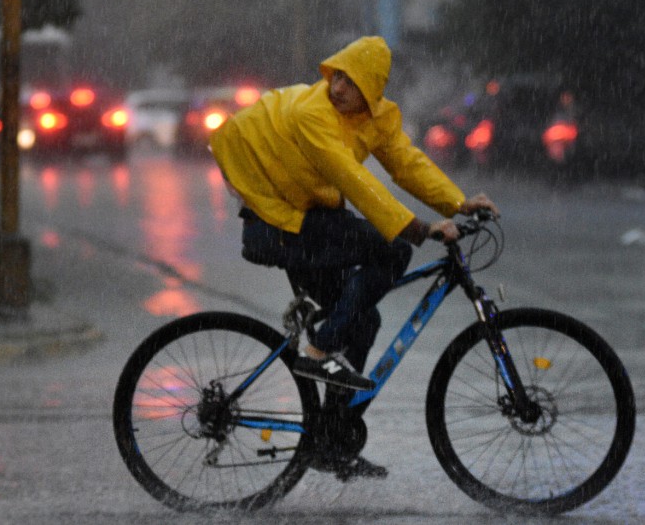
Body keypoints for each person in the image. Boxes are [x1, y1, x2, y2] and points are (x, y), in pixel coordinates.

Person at [210, 35, 498, 481]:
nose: (337, 87)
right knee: (393, 249)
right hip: (275, 224)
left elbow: (405, 162)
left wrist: (458, 204)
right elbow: (354, 179)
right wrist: (421, 228)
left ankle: (330, 439)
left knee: (363, 320)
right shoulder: (314, 113)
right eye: (336, 76)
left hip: (300, 217)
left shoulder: (377, 118)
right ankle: (320, 347)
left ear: (371, 90)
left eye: (349, 81)